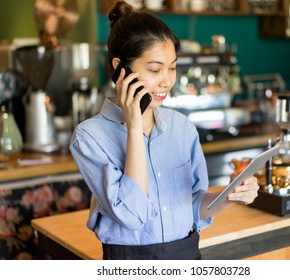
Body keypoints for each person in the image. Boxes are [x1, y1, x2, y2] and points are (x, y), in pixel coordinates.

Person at [70, 0, 259, 260]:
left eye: (172, 68)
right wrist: (134, 127)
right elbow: (132, 215)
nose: (167, 81)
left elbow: (193, 205)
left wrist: (230, 197)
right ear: (119, 68)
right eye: (155, 69)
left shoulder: (181, 128)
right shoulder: (89, 137)